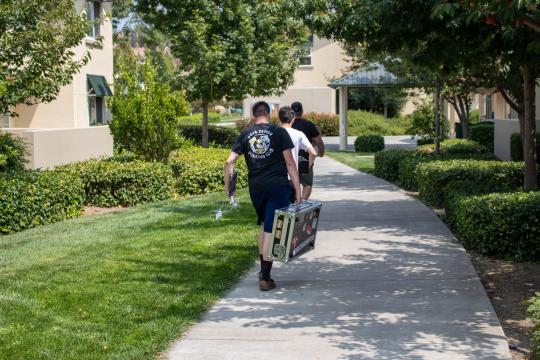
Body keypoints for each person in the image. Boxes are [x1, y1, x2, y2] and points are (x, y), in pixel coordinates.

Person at [224, 101, 302, 291]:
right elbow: (290, 163)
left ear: (253, 116)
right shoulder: (278, 132)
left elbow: (229, 162)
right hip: (277, 186)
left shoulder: (246, 134)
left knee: (265, 226)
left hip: (256, 189)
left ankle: (262, 271)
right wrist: (298, 190)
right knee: (271, 231)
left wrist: (229, 190)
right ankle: (265, 278)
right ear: (269, 114)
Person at [277, 106, 318, 203]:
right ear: (293, 119)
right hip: (291, 177)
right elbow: (313, 153)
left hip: (275, 177)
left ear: (279, 118)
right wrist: (307, 166)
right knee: (291, 210)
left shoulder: (273, 133)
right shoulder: (299, 134)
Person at [291, 101, 325, 200]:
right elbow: (319, 141)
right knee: (307, 185)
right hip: (306, 160)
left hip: (290, 160)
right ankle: (302, 203)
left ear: (291, 113)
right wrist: (322, 153)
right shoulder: (309, 124)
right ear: (302, 112)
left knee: (292, 185)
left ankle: (294, 204)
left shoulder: (287, 126)